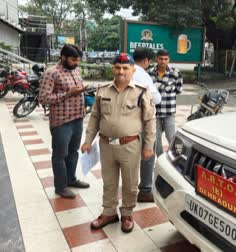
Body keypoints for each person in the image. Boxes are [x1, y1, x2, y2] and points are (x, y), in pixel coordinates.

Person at [81, 53, 156, 233]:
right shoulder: (103, 90)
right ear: (113, 68)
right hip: (106, 145)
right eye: (117, 67)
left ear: (132, 70)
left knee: (130, 183)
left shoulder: (141, 91)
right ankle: (109, 213)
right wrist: (88, 140)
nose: (121, 71)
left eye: (125, 68)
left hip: (130, 145)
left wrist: (149, 146)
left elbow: (150, 120)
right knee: (109, 181)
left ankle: (127, 214)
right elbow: (95, 117)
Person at [39, 44, 90, 199]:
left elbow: (77, 90)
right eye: (73, 60)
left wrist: (84, 91)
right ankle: (60, 187)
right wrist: (69, 93)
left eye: (78, 60)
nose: (76, 63)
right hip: (61, 122)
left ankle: (71, 179)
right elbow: (43, 98)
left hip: (77, 118)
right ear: (63, 57)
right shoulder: (51, 73)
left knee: (73, 152)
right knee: (60, 155)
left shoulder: (76, 70)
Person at [132, 47, 161, 203]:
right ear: (146, 61)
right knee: (148, 154)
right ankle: (145, 190)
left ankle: (130, 189)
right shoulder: (143, 75)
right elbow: (156, 99)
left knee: (129, 156)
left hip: (127, 121)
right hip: (144, 121)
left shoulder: (125, 71)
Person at [147, 49, 183, 156]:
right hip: (154, 112)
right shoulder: (149, 73)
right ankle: (161, 158)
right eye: (160, 59)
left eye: (165, 59)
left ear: (169, 59)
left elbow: (178, 90)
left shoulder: (176, 73)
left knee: (171, 136)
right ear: (156, 59)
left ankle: (176, 157)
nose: (163, 61)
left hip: (169, 112)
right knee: (155, 138)